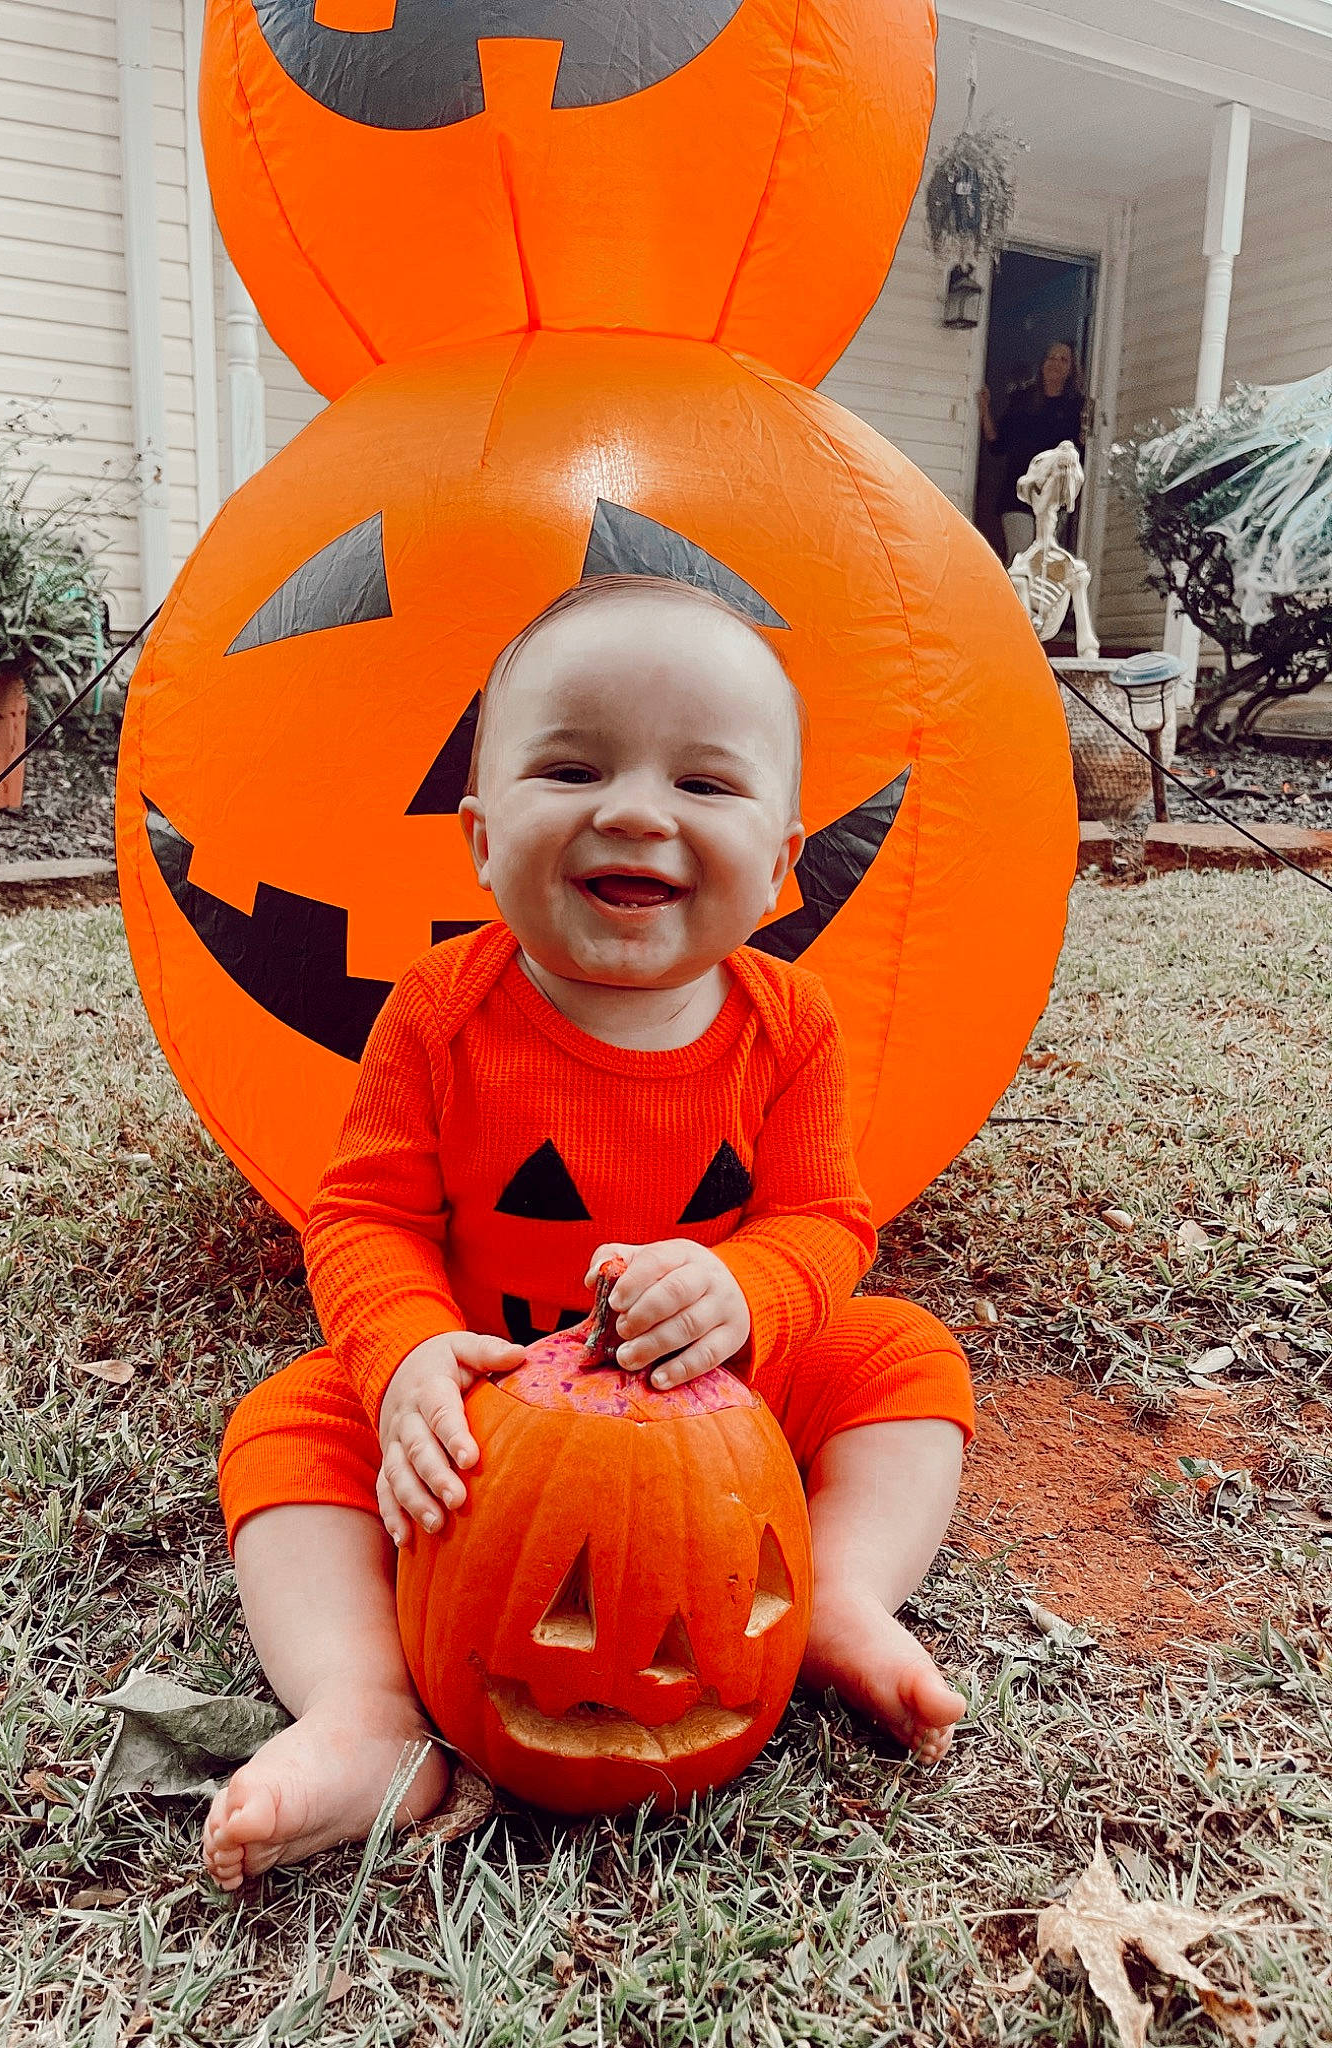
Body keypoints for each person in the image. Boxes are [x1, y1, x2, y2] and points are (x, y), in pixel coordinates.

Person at [201, 575, 975, 1890]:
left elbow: (824, 1218)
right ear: (479, 837)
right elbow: (367, 1214)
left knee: (903, 1359)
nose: (633, 810)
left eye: (704, 783)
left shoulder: (790, 1027)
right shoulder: (438, 1013)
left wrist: (743, 1288)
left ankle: (836, 1595)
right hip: (486, 1411)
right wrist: (407, 1360)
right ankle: (366, 1705)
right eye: (572, 768)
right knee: (287, 1422)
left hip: (722, 1406)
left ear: (783, 864)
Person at [979, 339, 1086, 563]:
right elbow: (997, 444)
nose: (1055, 363)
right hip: (1017, 495)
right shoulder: (1023, 400)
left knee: (1043, 563)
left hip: (1053, 499)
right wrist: (984, 410)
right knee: (1022, 558)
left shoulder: (1076, 407)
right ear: (1042, 363)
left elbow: (1081, 452)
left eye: (1063, 359)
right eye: (1051, 357)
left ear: (1071, 369)